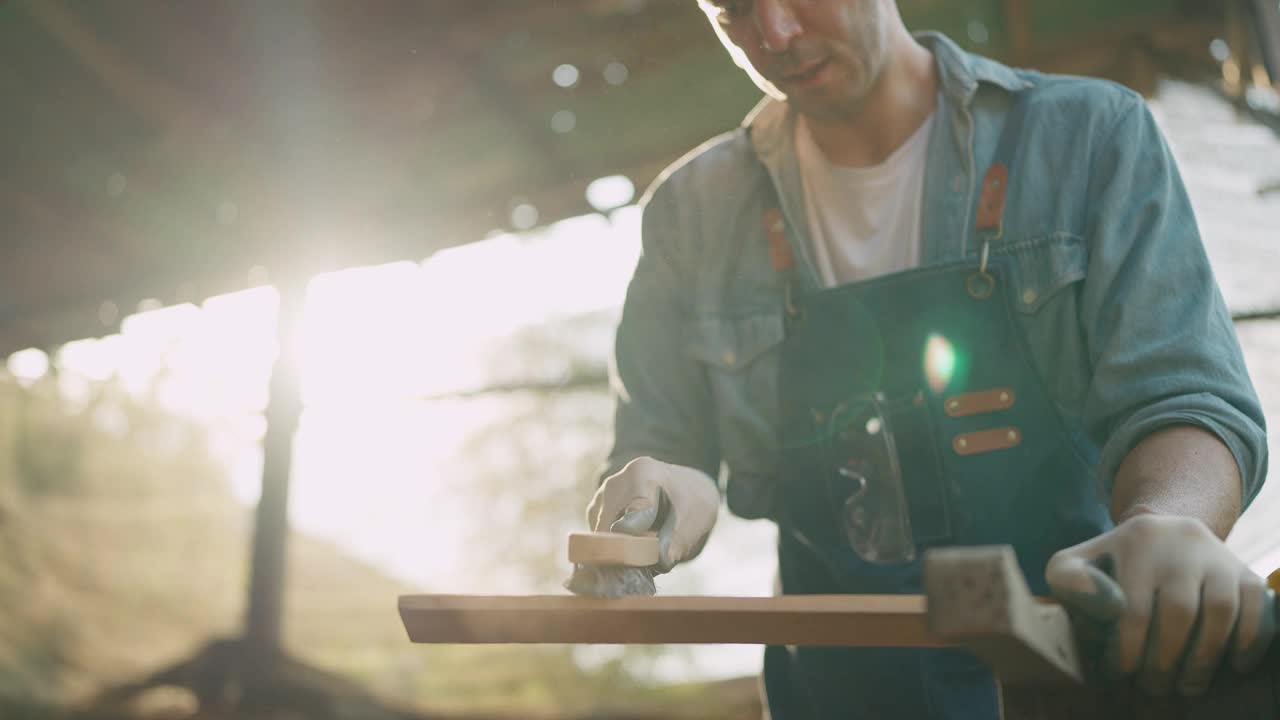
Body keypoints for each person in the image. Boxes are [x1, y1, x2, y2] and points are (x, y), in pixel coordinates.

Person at [585, 0, 1275, 717]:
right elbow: (669, 445)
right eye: (733, 10)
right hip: (838, 695)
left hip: (1086, 680)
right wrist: (655, 498)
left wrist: (1170, 522)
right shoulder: (693, 212)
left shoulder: (1087, 137)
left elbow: (1183, 399)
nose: (775, 35)